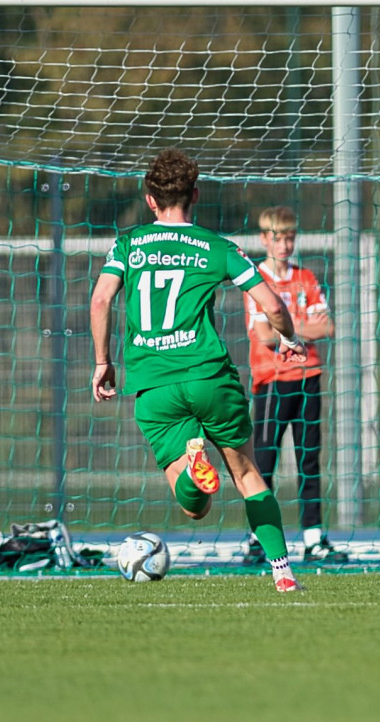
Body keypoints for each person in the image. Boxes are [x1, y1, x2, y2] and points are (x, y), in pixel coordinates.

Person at [89, 148, 306, 593]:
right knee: (247, 475)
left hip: (155, 386)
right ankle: (283, 574)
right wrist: (289, 339)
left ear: (151, 199)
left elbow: (100, 300)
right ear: (196, 195)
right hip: (210, 377)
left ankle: (193, 468)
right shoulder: (216, 247)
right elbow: (272, 305)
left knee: (194, 507)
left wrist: (103, 362)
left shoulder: (128, 244)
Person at [241, 206, 348, 566]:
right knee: (265, 460)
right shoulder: (255, 278)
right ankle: (258, 538)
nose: (284, 244)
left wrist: (288, 328)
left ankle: (314, 537)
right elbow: (263, 335)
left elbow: (327, 327)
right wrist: (301, 326)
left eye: (289, 237)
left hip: (308, 377)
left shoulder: (307, 277)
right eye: (277, 237)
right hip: (271, 381)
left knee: (309, 459)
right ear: (264, 239)